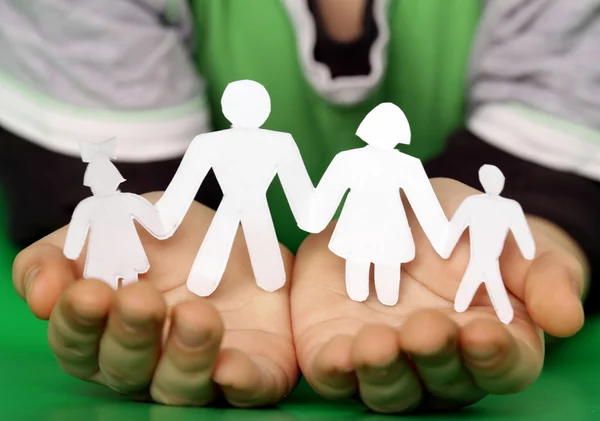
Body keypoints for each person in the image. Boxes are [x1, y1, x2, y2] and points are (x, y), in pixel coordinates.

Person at [3, 0, 599, 414]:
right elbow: (186, 187)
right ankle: (252, 269)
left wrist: (528, 221)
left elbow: (330, 194)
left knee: (270, 248)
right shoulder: (253, 144)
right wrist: (159, 220)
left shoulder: (294, 149)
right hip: (249, 220)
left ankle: (267, 269)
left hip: (328, 230)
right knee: (237, 247)